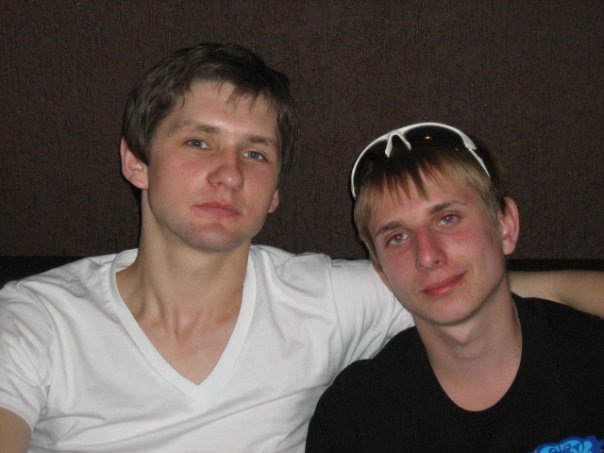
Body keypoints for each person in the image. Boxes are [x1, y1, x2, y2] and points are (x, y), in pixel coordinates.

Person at [0, 46, 601, 452]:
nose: (229, 174)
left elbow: (489, 287)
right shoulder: (37, 320)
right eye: (198, 142)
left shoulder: (327, 298)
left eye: (255, 153)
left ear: (275, 194)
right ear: (137, 161)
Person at [306, 122, 604, 452]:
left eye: (447, 219)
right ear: (382, 272)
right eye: (397, 237)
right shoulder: (355, 417)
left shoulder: (590, 361)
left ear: (505, 226)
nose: (427, 255)